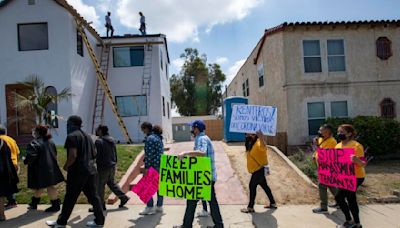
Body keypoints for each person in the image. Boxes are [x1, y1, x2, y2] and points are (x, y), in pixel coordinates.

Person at [46, 115, 105, 227]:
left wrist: (66, 166)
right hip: (90, 170)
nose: (67, 126)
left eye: (67, 124)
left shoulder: (72, 136)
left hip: (78, 172)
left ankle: (61, 222)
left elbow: (73, 155)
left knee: (70, 197)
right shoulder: (88, 136)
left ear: (71, 124)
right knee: (93, 196)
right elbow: (94, 153)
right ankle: (99, 220)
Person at [173, 120, 224, 228]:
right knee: (200, 201)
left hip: (204, 178)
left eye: (192, 127)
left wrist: (186, 153)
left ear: (197, 128)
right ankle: (218, 225)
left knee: (196, 201)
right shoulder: (201, 138)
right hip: (203, 177)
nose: (191, 129)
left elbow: (202, 152)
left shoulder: (201, 138)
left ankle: (188, 225)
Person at [24, 125, 64, 212]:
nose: (33, 132)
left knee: (46, 186)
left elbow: (31, 157)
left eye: (34, 131)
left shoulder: (34, 143)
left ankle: (55, 205)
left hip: (40, 169)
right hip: (51, 168)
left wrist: (25, 160)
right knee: (44, 186)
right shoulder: (50, 142)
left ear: (37, 132)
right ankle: (34, 203)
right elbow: (55, 153)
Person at [90, 125, 129, 212]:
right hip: (112, 165)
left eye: (97, 130)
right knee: (111, 183)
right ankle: (123, 197)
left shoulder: (99, 141)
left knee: (99, 186)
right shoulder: (111, 140)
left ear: (100, 131)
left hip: (102, 167)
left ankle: (100, 206)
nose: (96, 131)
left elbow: (96, 155)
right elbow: (115, 153)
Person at [335, 124, 366, 228]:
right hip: (344, 177)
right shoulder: (338, 146)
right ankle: (355, 223)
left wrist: (356, 160)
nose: (339, 134)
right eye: (338, 132)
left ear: (349, 133)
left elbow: (363, 164)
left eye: (342, 132)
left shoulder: (356, 146)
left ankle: (350, 221)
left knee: (339, 197)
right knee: (350, 198)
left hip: (356, 177)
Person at [240, 131, 276, 213]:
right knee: (265, 186)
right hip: (258, 170)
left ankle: (250, 207)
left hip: (259, 170)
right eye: (246, 134)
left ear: (254, 134)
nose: (247, 135)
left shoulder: (258, 142)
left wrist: (261, 138)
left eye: (249, 134)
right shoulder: (251, 143)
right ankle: (273, 203)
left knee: (252, 186)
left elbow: (263, 147)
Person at [312, 124, 338, 214]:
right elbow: (318, 151)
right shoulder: (321, 139)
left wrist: (318, 146)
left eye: (321, 130)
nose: (319, 132)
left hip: (328, 167)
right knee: (331, 185)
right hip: (321, 166)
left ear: (327, 132)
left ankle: (323, 207)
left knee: (322, 186)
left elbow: (326, 154)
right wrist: (315, 155)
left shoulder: (332, 142)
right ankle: (340, 201)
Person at [139, 123, 164, 215]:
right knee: (159, 187)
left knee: (147, 186)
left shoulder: (150, 139)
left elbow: (149, 155)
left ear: (146, 129)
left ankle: (149, 207)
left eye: (143, 129)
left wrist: (146, 168)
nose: (143, 132)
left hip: (152, 166)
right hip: (160, 165)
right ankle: (159, 206)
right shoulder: (158, 138)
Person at [0, 125, 20, 210]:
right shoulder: (11, 139)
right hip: (14, 163)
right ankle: (12, 200)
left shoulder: (1, 140)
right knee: (9, 182)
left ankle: (12, 201)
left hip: (6, 163)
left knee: (5, 183)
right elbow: (18, 151)